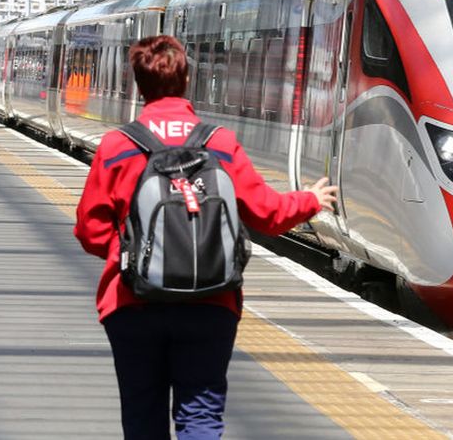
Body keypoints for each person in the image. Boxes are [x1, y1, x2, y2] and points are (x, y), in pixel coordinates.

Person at [74, 35, 338, 440]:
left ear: (137, 84)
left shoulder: (117, 146)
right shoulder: (220, 143)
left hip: (132, 303)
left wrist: (134, 253)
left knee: (142, 414)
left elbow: (91, 231)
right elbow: (266, 214)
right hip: (211, 300)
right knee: (200, 414)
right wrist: (310, 200)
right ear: (187, 79)